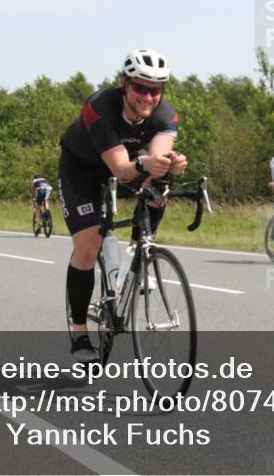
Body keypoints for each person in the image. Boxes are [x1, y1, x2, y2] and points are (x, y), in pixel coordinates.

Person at [57, 49, 187, 362]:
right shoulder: (98, 107)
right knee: (88, 244)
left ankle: (137, 257)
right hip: (82, 169)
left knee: (158, 187)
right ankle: (79, 334)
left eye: (154, 90)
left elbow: (156, 157)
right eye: (140, 88)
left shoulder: (166, 115)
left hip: (127, 164)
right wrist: (147, 163)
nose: (147, 96)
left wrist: (169, 163)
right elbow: (121, 169)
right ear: (124, 84)